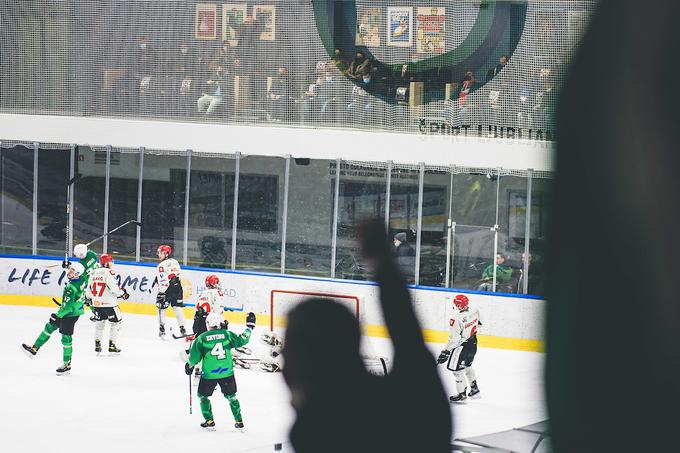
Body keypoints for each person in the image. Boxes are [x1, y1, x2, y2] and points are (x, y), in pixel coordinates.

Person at [282, 219, 451, 453]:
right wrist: (381, 261)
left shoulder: (311, 431)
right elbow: (406, 331)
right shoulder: (414, 403)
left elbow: (406, 333)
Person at [185, 311, 257, 431]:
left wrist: (189, 365)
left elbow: (194, 358)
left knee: (203, 396)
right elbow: (242, 340)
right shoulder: (227, 334)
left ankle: (209, 420)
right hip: (227, 373)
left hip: (209, 375)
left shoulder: (201, 338)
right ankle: (239, 421)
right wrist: (249, 328)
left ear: (207, 324)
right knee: (231, 396)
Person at [21, 262, 87, 375]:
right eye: (70, 269)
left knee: (66, 339)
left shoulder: (70, 288)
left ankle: (67, 365)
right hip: (75, 309)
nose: (69, 272)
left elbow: (67, 307)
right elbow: (83, 271)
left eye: (72, 271)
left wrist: (56, 315)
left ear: (77, 275)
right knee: (49, 326)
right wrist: (69, 265)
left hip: (70, 314)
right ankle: (34, 348)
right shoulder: (83, 278)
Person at [437, 294, 482, 403]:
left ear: (458, 305)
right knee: (467, 366)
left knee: (456, 370)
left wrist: (446, 351)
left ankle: (462, 394)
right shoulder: (475, 310)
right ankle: (474, 389)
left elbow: (454, 339)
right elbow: (479, 324)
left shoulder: (456, 318)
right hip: (473, 343)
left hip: (462, 347)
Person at [88, 254, 129, 354]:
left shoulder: (93, 272)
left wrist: (89, 299)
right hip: (110, 304)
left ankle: (97, 345)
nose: (112, 264)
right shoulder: (108, 272)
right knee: (115, 323)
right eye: (111, 262)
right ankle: (112, 345)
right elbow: (114, 289)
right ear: (106, 263)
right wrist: (123, 293)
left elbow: (88, 290)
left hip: (97, 304)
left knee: (99, 325)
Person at [155, 244, 187, 338]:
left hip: (167, 289)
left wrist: (161, 292)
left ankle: (162, 329)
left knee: (162, 308)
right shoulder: (175, 261)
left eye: (161, 253)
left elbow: (163, 281)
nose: (159, 255)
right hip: (178, 287)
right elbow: (178, 274)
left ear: (167, 254)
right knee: (178, 308)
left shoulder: (161, 265)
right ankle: (183, 329)